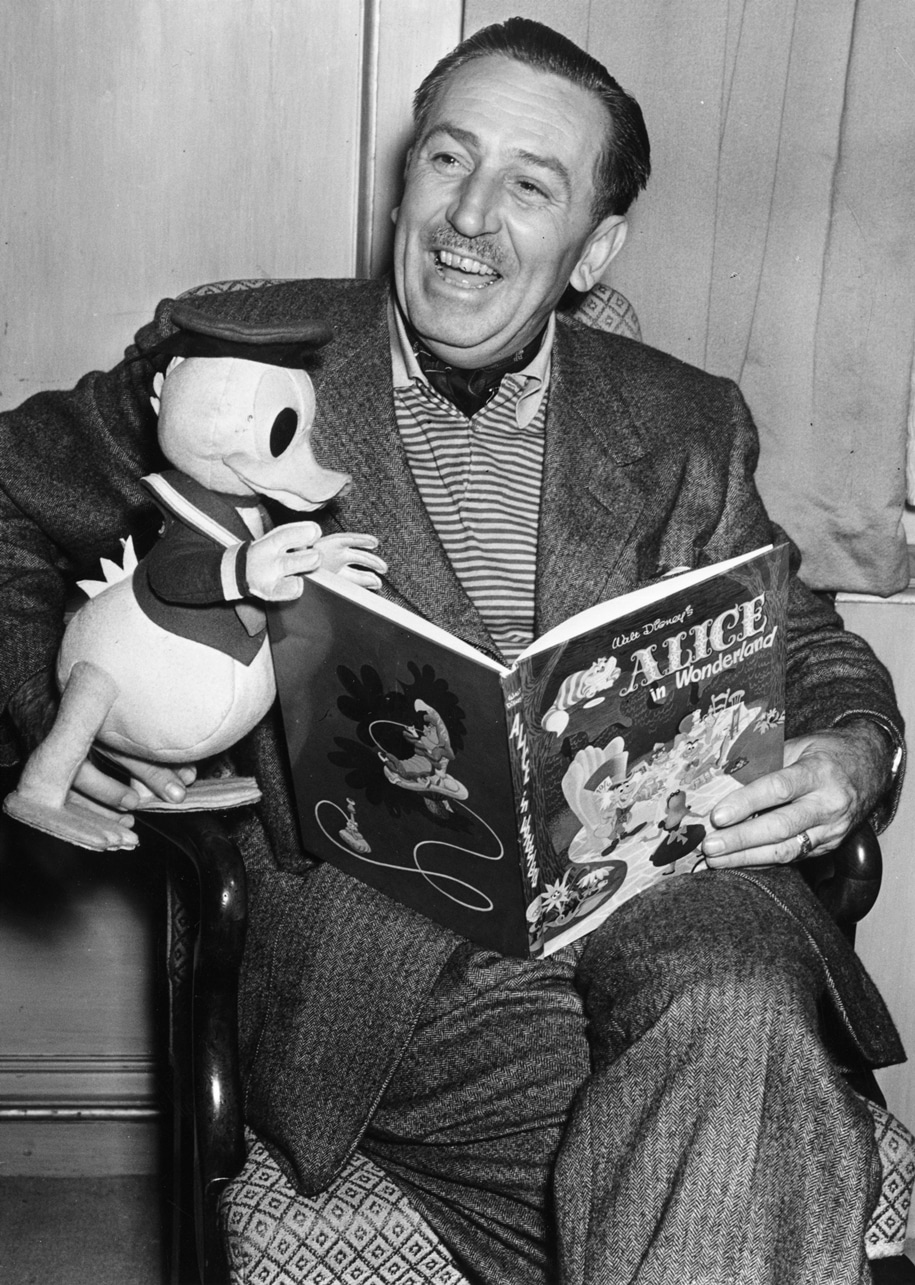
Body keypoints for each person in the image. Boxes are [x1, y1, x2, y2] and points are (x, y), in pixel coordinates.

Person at [0, 17, 905, 1284]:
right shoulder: (241, 355)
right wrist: (59, 708)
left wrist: (852, 755)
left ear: (595, 248)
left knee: (733, 1000)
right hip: (392, 958)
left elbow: (808, 645)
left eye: (530, 186)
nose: (469, 217)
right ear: (405, 176)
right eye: (447, 158)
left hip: (674, 900)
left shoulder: (688, 422)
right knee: (747, 1120)